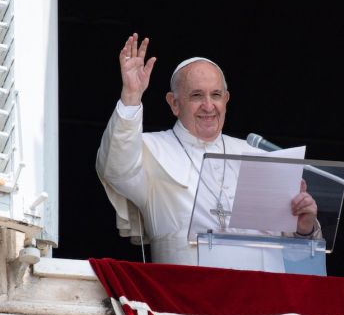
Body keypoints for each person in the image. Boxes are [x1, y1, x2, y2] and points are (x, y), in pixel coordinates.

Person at [96, 33, 320, 270]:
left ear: (226, 99)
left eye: (215, 95)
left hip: (263, 301)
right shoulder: (151, 150)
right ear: (174, 103)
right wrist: (131, 96)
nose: (208, 105)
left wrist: (303, 229)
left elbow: (294, 257)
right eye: (196, 95)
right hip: (185, 299)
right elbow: (116, 169)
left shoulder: (254, 154)